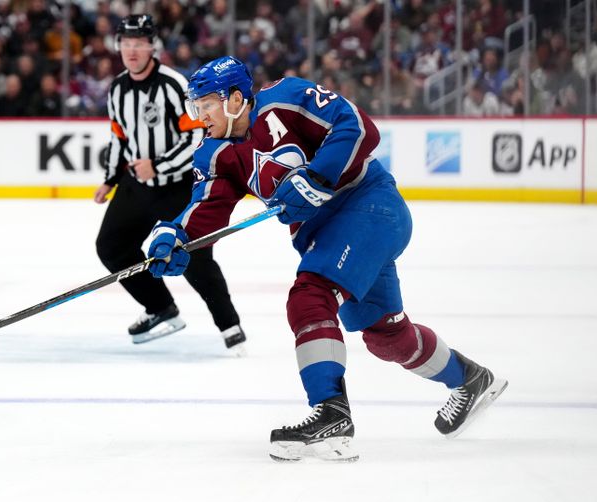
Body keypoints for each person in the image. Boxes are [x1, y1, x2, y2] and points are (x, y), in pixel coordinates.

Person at [145, 56, 508, 462]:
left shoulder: (286, 97)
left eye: (205, 105)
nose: (200, 116)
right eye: (196, 107)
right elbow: (206, 208)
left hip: (370, 207)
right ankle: (471, 379)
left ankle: (331, 413)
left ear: (234, 99)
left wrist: (318, 174)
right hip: (331, 236)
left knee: (309, 297)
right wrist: (174, 235)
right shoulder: (213, 154)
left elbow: (355, 125)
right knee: (384, 335)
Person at [93, 16, 246, 354]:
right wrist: (110, 178)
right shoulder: (117, 88)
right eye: (126, 43)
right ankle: (161, 308)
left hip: (176, 187)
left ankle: (230, 325)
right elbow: (119, 136)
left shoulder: (174, 84)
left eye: (140, 42)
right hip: (136, 185)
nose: (132, 50)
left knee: (195, 256)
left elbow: (196, 136)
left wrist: (158, 165)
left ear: (152, 46)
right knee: (112, 247)